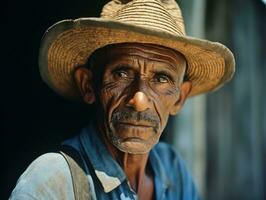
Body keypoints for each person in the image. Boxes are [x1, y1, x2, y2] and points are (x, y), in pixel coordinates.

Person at [9, 0, 235, 199]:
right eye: (121, 74)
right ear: (89, 86)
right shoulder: (51, 181)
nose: (139, 101)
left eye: (161, 78)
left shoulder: (172, 170)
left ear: (179, 99)